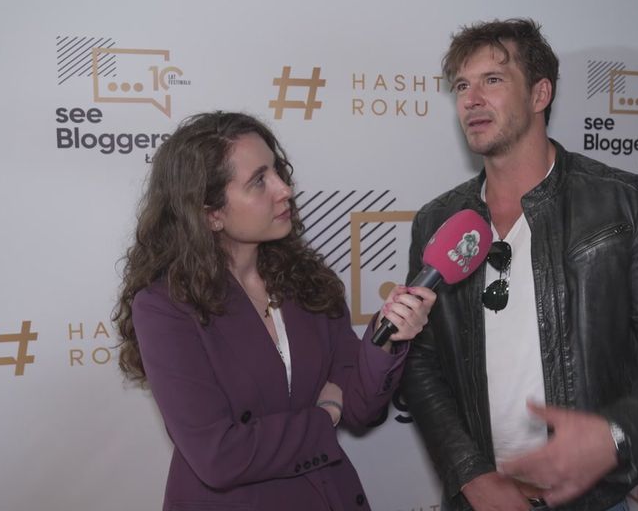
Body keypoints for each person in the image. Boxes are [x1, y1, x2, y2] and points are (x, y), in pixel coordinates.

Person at [402, 19, 638, 511]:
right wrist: (471, 476)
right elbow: (420, 361)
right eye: (462, 86)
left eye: (492, 80)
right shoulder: (437, 221)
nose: (471, 100)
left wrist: (614, 434)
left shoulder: (623, 203)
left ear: (540, 93)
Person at [113, 111, 435, 511]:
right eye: (258, 181)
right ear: (211, 213)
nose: (285, 189)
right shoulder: (165, 307)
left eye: (278, 171)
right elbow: (220, 456)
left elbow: (360, 408)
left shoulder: (307, 280)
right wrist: (324, 415)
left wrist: (386, 338)